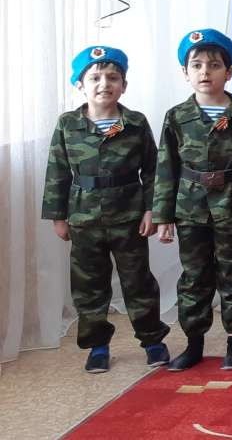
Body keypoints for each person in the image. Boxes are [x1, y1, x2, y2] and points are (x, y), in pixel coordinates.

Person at [43, 46, 169, 373]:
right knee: (89, 285)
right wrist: (58, 216)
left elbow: (153, 170)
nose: (104, 84)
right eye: (95, 78)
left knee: (138, 281)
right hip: (83, 218)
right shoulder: (68, 124)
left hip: (129, 217)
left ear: (124, 85)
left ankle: (152, 341)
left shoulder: (135, 123)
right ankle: (97, 346)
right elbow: (57, 171)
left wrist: (151, 210)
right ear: (80, 84)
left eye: (113, 78)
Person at [154, 29, 232, 372]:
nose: (205, 72)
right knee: (194, 277)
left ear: (229, 72)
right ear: (185, 72)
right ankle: (194, 344)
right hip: (190, 209)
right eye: (197, 65)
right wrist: (163, 216)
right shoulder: (177, 117)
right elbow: (166, 167)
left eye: (214, 65)